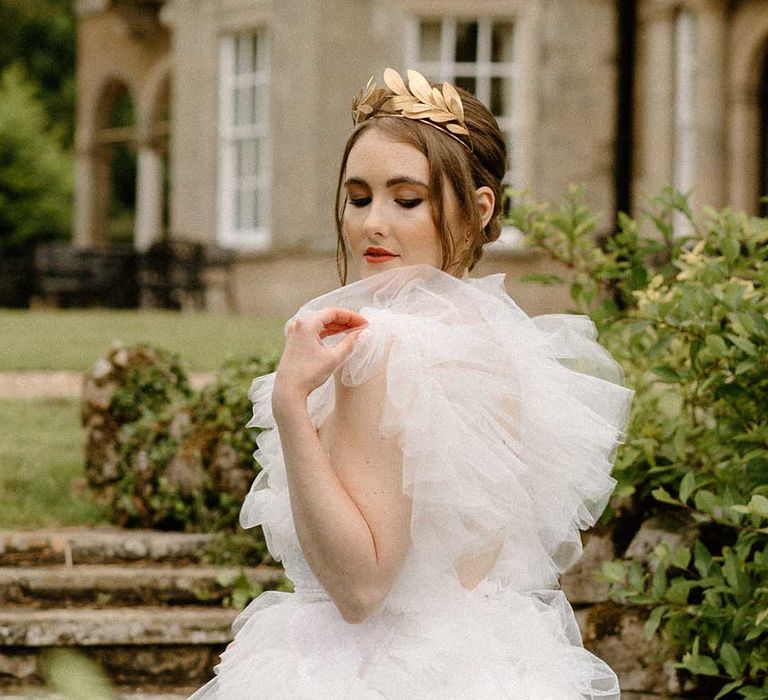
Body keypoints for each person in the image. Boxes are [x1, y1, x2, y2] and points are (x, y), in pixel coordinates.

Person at [189, 68, 633, 699]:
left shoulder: (385, 347)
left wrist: (291, 402)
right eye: (359, 196)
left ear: (478, 210)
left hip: (373, 675)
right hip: (492, 665)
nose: (373, 224)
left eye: (407, 199)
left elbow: (362, 588)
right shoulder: (500, 340)